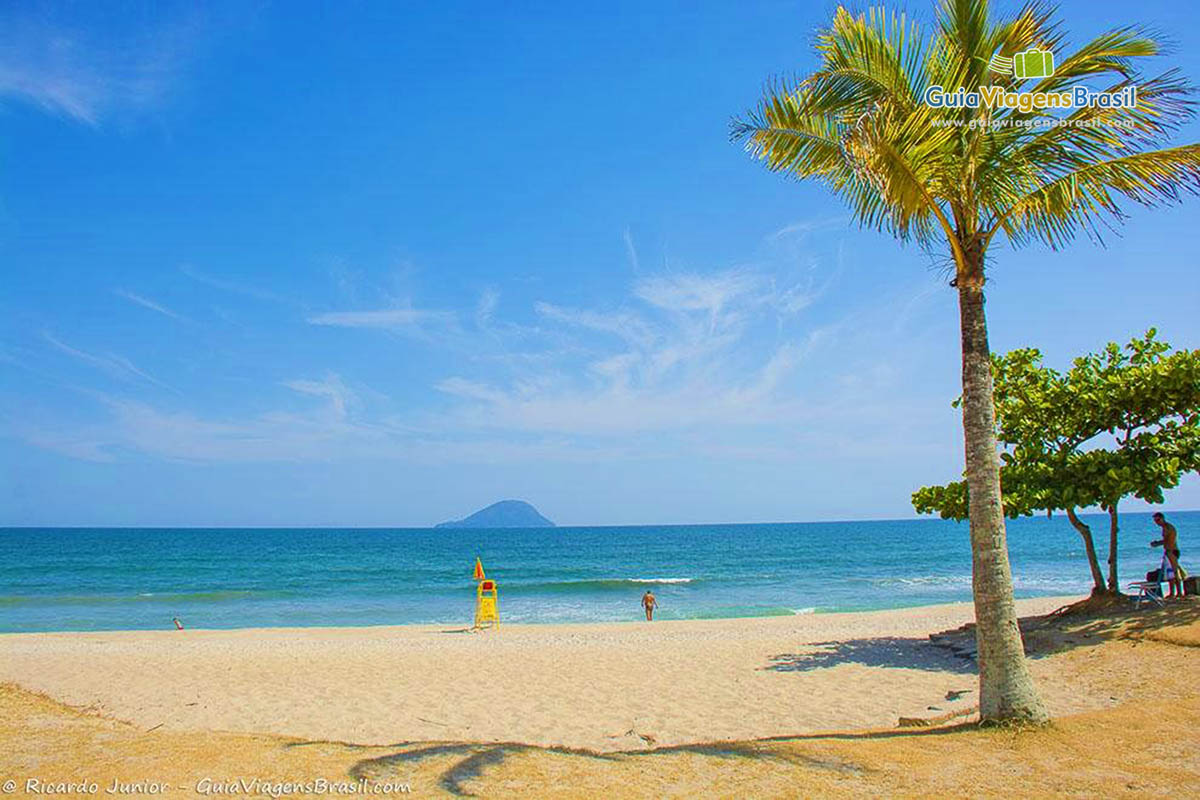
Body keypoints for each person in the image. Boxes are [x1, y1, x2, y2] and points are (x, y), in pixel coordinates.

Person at [1151, 512, 1184, 599]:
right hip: (1170, 551)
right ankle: (1173, 593)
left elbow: (1168, 541)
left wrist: (1157, 543)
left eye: (1158, 520)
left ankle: (1179, 593)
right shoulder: (1166, 527)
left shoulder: (1167, 527)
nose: (1157, 522)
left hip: (1171, 551)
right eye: (1155, 521)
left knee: (1174, 572)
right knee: (1170, 574)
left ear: (1162, 518)